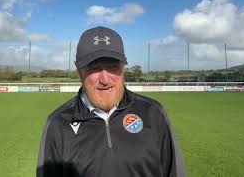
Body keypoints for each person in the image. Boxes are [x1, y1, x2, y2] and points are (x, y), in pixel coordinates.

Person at [37, 26, 186, 177]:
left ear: (124, 67)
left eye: (113, 67)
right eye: (94, 68)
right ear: (78, 69)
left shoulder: (153, 113)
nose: (105, 80)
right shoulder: (58, 123)